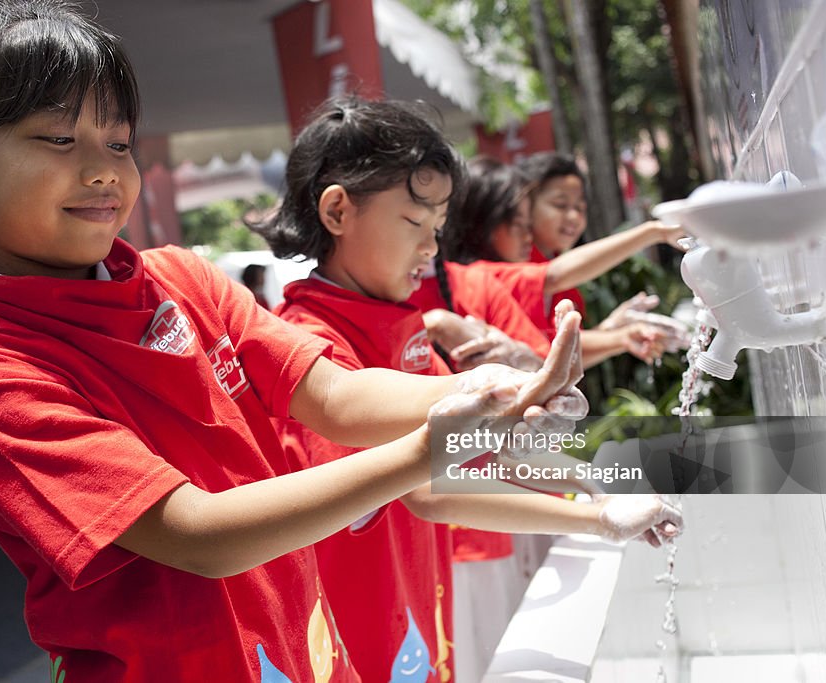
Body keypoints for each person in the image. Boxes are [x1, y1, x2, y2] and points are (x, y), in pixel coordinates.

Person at [0, 3, 592, 681]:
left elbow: (334, 393)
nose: (102, 170)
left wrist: (492, 388)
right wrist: (431, 446)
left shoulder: (180, 276)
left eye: (118, 142)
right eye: (58, 140)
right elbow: (200, 534)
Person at [253, 96, 684, 683]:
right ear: (337, 211)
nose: (431, 249)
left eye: (437, 227)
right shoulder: (308, 346)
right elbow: (429, 490)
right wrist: (596, 518)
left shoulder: (399, 325)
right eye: (413, 223)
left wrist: (591, 485)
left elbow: (473, 456)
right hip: (356, 630)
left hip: (416, 603)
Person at [435, 156, 692, 368]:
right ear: (483, 222)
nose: (528, 235)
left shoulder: (497, 273)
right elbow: (555, 276)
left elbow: (548, 358)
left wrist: (613, 334)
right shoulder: (483, 276)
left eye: (581, 208)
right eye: (560, 204)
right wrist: (653, 232)